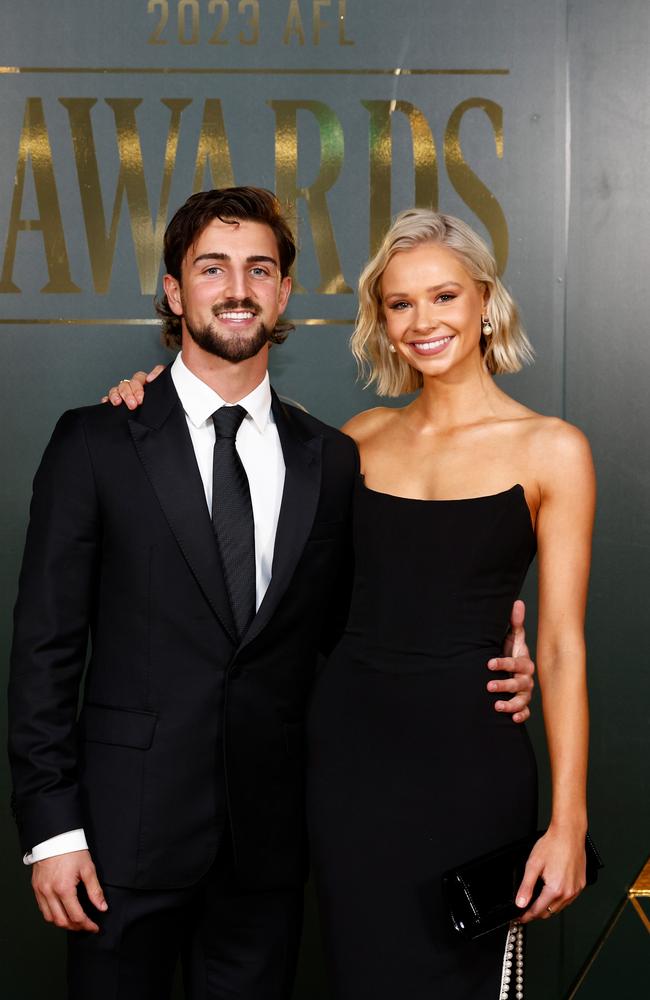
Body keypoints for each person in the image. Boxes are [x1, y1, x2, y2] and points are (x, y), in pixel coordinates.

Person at [9, 188, 534, 1000]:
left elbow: (357, 624)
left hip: (272, 845)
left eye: (260, 268)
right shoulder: (98, 440)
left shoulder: (332, 457)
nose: (237, 287)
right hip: (119, 843)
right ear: (176, 293)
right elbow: (44, 649)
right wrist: (52, 831)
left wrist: (490, 659)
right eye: (211, 269)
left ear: (285, 293)